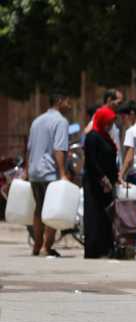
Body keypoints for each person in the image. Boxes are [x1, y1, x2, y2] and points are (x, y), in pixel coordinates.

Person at [26, 91, 71, 257]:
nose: (70, 105)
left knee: (38, 209)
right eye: (68, 101)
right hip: (49, 172)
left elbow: (29, 148)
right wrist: (62, 173)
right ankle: (46, 246)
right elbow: (59, 148)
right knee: (52, 209)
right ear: (59, 101)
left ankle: (37, 245)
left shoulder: (37, 121)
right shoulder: (61, 121)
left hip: (34, 172)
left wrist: (26, 170)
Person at [83, 107, 118, 259]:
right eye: (108, 121)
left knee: (106, 215)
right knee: (94, 214)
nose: (110, 124)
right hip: (94, 182)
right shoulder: (92, 136)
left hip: (107, 183)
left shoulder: (105, 137)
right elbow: (91, 161)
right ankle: (93, 249)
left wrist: (115, 178)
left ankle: (105, 248)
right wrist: (103, 179)